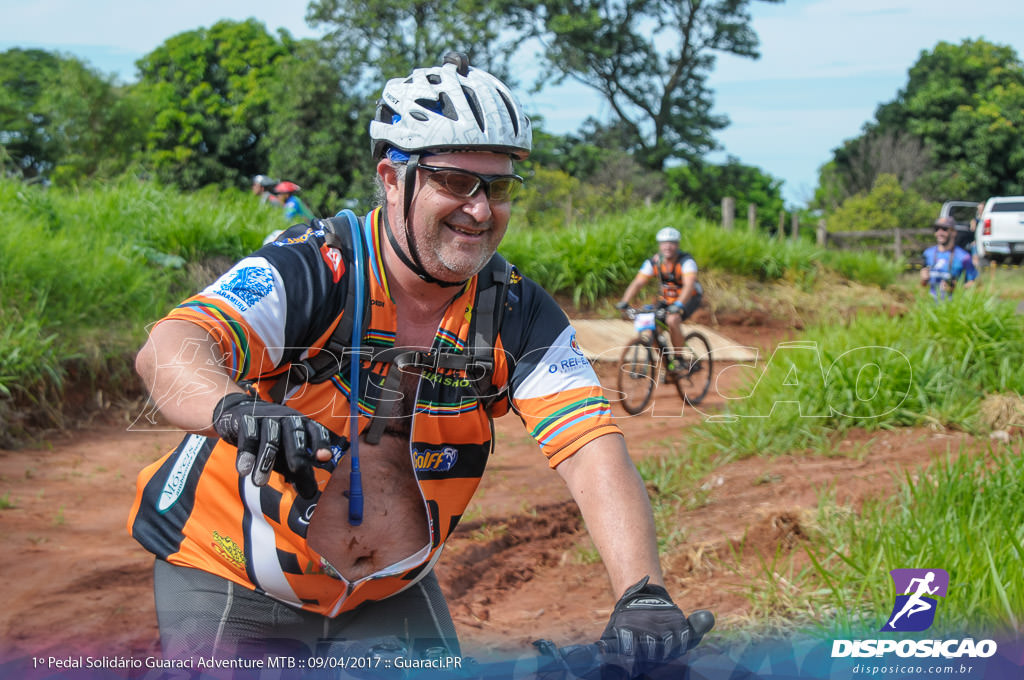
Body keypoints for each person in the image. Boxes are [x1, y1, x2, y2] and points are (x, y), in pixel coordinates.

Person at [129, 52, 713, 669]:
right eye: (456, 182)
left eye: (500, 186)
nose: (482, 210)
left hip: (390, 591)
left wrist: (642, 591)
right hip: (235, 575)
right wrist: (233, 409)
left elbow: (590, 443)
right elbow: (171, 347)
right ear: (391, 177)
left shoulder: (511, 311)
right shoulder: (316, 268)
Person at [616, 226, 704, 357]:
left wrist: (679, 305)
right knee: (653, 326)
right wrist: (624, 301)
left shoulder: (686, 262)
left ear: (677, 245)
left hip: (689, 298)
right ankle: (666, 363)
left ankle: (679, 358)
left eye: (672, 243)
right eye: (664, 243)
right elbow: (638, 282)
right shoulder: (654, 262)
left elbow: (689, 286)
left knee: (672, 320)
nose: (667, 246)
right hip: (667, 299)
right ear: (659, 245)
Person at [920, 216, 978, 300]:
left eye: (944, 229)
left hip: (953, 307)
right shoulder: (928, 253)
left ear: (954, 232)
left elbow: (974, 283)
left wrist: (956, 288)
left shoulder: (963, 257)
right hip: (930, 306)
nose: (939, 232)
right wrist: (923, 280)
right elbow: (923, 285)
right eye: (936, 229)